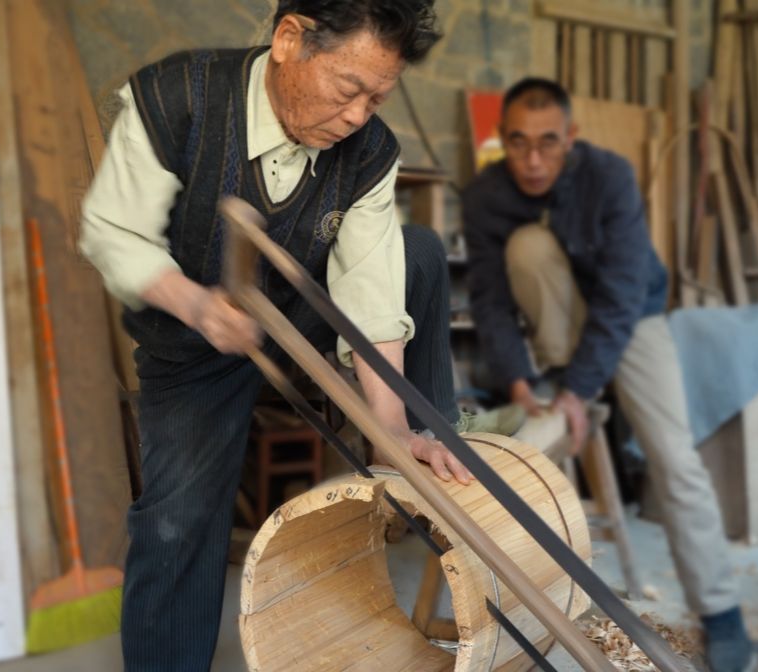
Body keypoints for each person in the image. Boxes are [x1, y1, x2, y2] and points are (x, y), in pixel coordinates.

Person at [79, 2, 519, 668]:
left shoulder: (369, 152)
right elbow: (113, 233)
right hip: (194, 337)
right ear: (289, 39)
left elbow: (371, 294)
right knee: (177, 520)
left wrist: (391, 429)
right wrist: (197, 306)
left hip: (303, 317)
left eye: (377, 98)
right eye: (348, 90)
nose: (357, 116)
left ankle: (426, 440)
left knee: (418, 251)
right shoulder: (176, 98)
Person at [462, 77, 758, 672]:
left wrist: (579, 390)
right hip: (559, 329)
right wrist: (522, 384)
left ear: (572, 137)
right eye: (518, 143)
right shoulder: (485, 197)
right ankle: (557, 382)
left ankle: (723, 611)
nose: (532, 160)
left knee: (675, 456)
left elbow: (623, 296)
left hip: (632, 318)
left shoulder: (612, 176)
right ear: (501, 138)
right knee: (525, 246)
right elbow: (491, 299)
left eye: (548, 143)